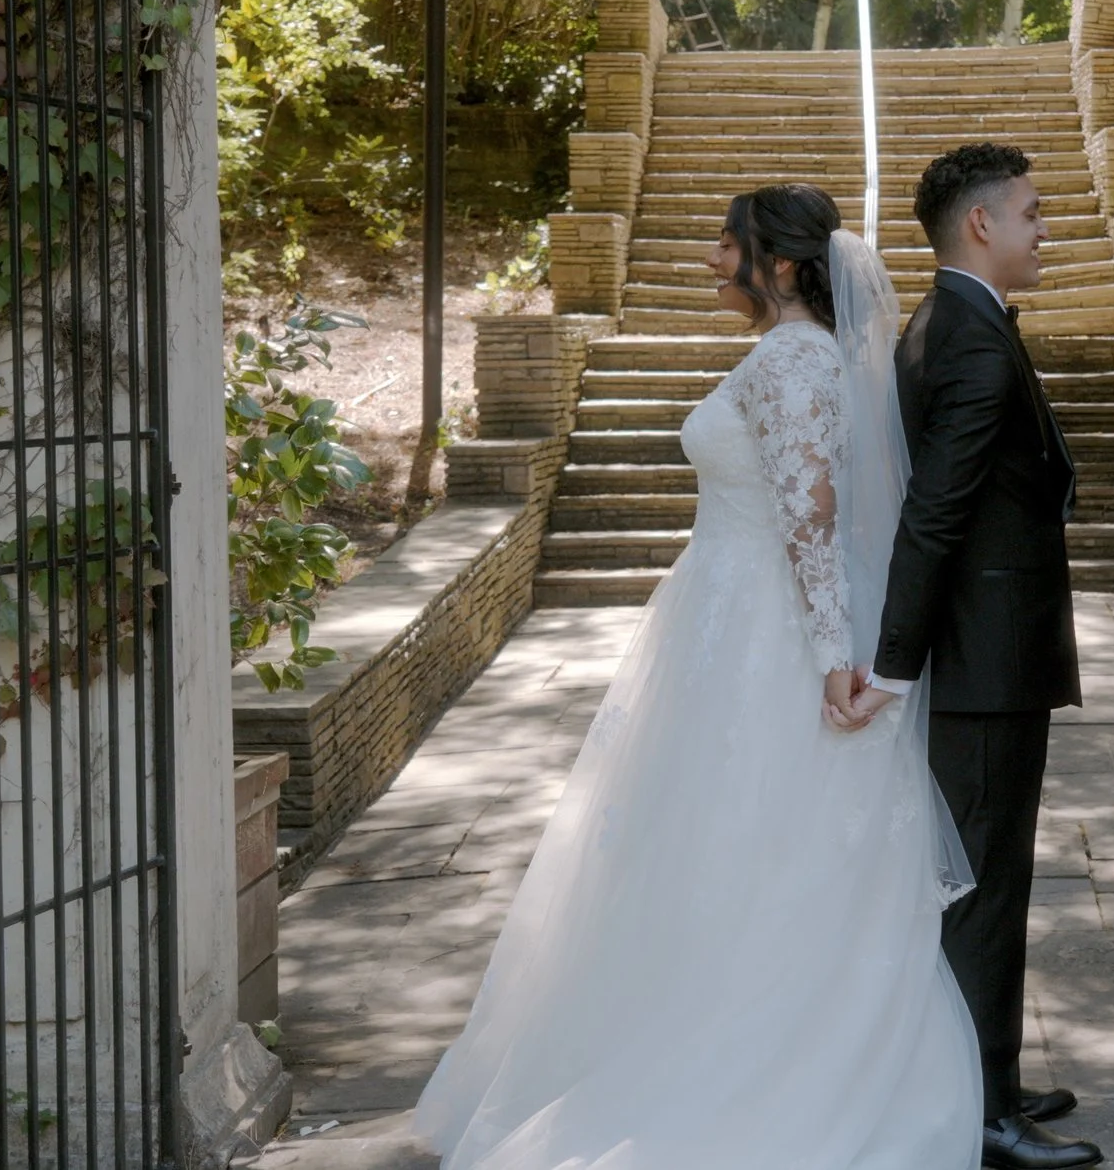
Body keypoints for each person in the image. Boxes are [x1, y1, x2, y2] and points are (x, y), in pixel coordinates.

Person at [409, 183, 983, 1169]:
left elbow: (812, 514)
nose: (713, 262)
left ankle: (756, 1064)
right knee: (701, 839)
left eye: (730, 246)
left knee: (750, 837)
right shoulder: (791, 356)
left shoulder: (794, 358)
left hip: (764, 633)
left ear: (787, 265)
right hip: (722, 618)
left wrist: (834, 661)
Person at [836, 143, 1102, 1170]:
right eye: (1032, 213)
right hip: (981, 661)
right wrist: (896, 662)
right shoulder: (971, 341)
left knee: (988, 876)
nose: (1046, 229)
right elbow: (933, 514)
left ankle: (985, 1065)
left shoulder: (947, 320)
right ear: (981, 224)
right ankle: (982, 1111)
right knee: (983, 884)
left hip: (985, 654)